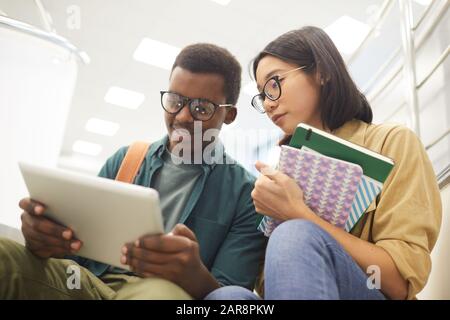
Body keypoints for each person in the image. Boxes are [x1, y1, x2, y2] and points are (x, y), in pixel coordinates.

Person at [0, 43, 266, 300]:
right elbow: (74, 253)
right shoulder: (126, 160)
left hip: (162, 293)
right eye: (175, 100)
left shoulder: (247, 195)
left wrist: (194, 275)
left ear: (229, 115)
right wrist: (46, 240)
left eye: (201, 108)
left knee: (160, 294)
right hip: (84, 282)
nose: (183, 116)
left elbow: (229, 297)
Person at [205, 26, 442, 300]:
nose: (268, 104)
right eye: (262, 95)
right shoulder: (281, 176)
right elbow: (274, 286)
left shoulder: (393, 143)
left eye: (274, 84)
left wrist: (300, 214)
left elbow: (399, 283)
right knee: (228, 298)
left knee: (295, 235)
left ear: (322, 73)